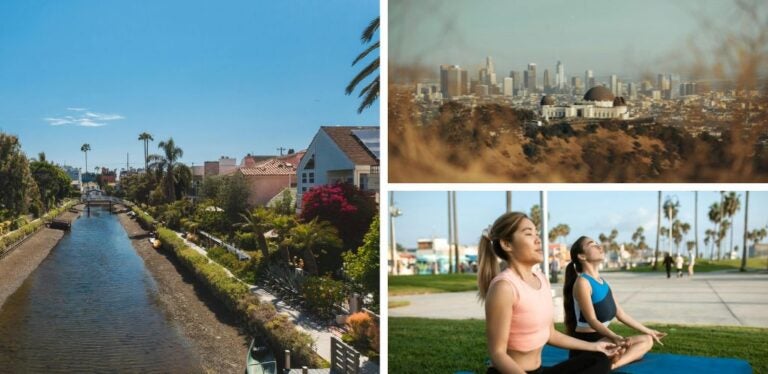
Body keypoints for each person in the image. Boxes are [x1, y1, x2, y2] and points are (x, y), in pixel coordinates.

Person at [478, 212, 620, 374]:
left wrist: (594, 346)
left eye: (537, 233)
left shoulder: (541, 279)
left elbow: (551, 334)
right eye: (528, 234)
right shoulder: (504, 287)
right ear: (506, 244)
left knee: (599, 358)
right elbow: (497, 354)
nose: (538, 239)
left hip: (539, 370)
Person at [563, 236, 667, 370]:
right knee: (623, 348)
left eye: (597, 243)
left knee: (646, 340)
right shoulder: (583, 282)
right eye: (592, 244)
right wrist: (615, 337)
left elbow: (621, 314)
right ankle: (610, 359)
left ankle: (612, 365)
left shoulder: (603, 282)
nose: (599, 246)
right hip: (588, 342)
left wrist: (650, 331)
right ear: (582, 256)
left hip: (605, 338)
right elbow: (592, 320)